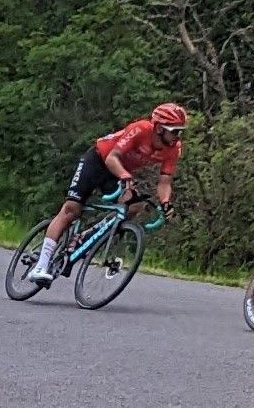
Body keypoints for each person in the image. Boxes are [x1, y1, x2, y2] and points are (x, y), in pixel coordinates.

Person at [26, 102, 186, 285]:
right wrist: (125, 176)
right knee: (72, 209)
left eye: (179, 131)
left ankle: (84, 239)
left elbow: (164, 181)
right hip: (99, 160)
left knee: (134, 206)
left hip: (118, 172)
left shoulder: (173, 148)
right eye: (174, 130)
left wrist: (166, 202)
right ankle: (41, 265)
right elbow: (112, 158)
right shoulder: (140, 129)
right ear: (158, 128)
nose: (177, 136)